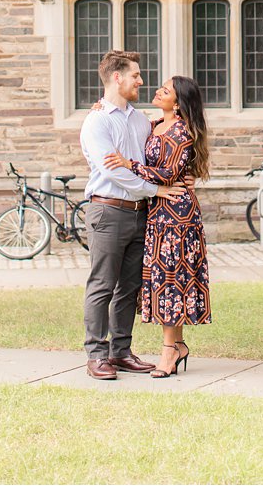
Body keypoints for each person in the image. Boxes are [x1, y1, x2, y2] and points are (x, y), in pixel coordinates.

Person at [77, 49, 186, 380]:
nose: (141, 80)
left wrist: (185, 175)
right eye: (135, 75)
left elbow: (162, 153)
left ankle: (121, 352)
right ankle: (97, 354)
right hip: (108, 212)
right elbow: (115, 173)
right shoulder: (97, 121)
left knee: (129, 287)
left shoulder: (141, 121)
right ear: (117, 77)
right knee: (102, 285)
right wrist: (156, 191)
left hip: (141, 215)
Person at [104, 75, 212, 376]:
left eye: (166, 90)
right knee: (165, 275)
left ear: (177, 103)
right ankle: (177, 346)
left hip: (177, 215)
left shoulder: (180, 132)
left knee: (170, 279)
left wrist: (129, 165)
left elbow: (166, 173)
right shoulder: (154, 126)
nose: (157, 90)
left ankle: (167, 352)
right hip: (158, 211)